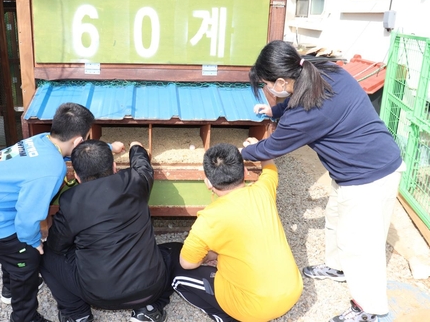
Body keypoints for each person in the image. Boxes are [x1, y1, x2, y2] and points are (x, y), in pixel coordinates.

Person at [242, 40, 405, 322]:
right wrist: (274, 111)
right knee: (336, 216)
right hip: (354, 169)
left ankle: (370, 309)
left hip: (369, 175)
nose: (270, 90)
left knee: (361, 247)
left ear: (282, 80)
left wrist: (241, 152)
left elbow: (271, 148)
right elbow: (296, 98)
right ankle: (338, 268)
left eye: (268, 84)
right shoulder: (320, 69)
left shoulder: (309, 112)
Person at [0, 102, 97, 322]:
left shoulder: (41, 140)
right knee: (26, 257)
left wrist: (107, 148)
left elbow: (58, 157)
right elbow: (28, 217)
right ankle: (24, 317)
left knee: (12, 249)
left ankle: (10, 289)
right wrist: (33, 241)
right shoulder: (51, 170)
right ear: (78, 141)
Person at [40, 139, 180, 322]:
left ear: (77, 177)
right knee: (173, 252)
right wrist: (135, 148)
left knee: (45, 254)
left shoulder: (70, 201)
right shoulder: (135, 181)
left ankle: (77, 314)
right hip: (150, 288)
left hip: (98, 294)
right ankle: (150, 308)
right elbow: (143, 167)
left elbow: (57, 244)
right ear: (115, 167)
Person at [171, 143, 303, 322]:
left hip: (252, 310)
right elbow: (270, 168)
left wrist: (208, 255)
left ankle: (227, 317)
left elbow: (187, 264)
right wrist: (260, 148)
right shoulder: (263, 191)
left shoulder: (209, 218)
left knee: (178, 276)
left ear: (208, 183)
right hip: (292, 292)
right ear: (244, 173)